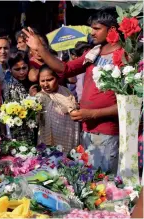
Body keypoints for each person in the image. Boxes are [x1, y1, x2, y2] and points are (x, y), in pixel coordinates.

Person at [23, 8, 121, 173]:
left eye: (97, 29)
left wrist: (91, 114)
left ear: (112, 30)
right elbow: (64, 68)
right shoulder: (94, 53)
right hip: (87, 130)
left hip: (106, 132)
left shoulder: (124, 56)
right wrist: (40, 48)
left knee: (104, 183)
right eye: (92, 28)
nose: (92, 32)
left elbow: (128, 106)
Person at [36, 64, 80, 153]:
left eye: (49, 80)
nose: (45, 84)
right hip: (49, 142)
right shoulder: (40, 98)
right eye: (42, 81)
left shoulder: (66, 92)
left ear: (58, 78)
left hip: (68, 138)